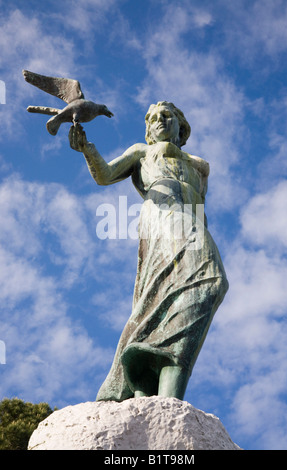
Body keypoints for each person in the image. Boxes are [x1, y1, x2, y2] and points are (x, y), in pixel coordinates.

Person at [69, 101, 229, 401]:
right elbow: (104, 175)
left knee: (177, 295)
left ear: (181, 127)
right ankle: (150, 379)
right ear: (148, 130)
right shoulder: (140, 152)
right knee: (212, 280)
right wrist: (87, 150)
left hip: (192, 221)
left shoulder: (199, 165)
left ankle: (153, 384)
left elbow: (199, 202)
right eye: (153, 119)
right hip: (163, 217)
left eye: (166, 116)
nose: (159, 121)